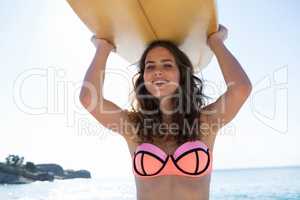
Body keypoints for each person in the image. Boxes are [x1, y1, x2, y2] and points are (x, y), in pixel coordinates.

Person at [79, 24, 252, 200]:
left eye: (167, 65)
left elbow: (241, 89)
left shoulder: (204, 122)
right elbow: (89, 99)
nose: (158, 72)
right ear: (143, 77)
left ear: (182, 74)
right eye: (150, 67)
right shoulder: (134, 126)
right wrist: (103, 48)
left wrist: (216, 42)